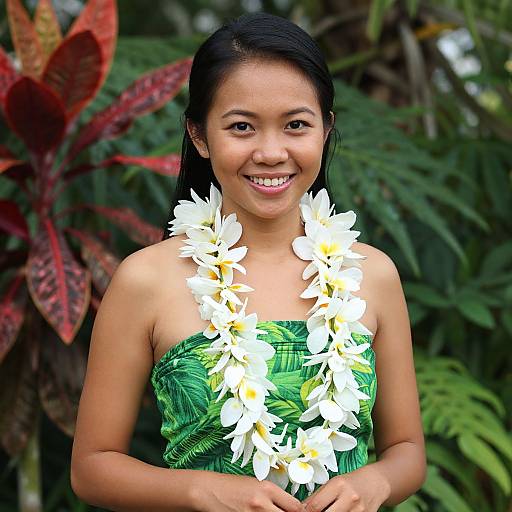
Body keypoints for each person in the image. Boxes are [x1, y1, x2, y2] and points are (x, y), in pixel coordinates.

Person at [70, 11, 426, 512]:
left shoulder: (372, 274)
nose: (271, 152)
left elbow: (407, 451)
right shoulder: (147, 280)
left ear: (325, 129)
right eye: (242, 127)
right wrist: (199, 489)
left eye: (296, 125)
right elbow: (93, 467)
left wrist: (377, 483)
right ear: (199, 135)